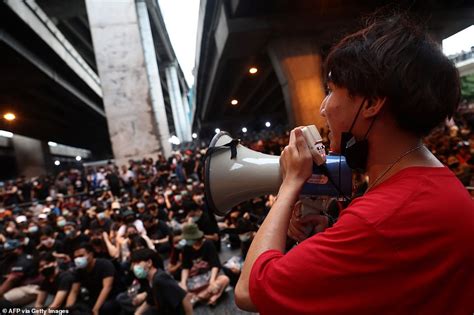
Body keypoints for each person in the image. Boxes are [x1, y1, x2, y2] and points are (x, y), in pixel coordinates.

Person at [235, 14, 474, 314]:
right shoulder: (436, 183)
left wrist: (290, 184)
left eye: (332, 90)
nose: (322, 108)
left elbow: (249, 291)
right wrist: (332, 237)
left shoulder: (380, 219)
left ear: (372, 102)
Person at [130, 248, 193, 315]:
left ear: (149, 262)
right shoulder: (151, 280)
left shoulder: (160, 279)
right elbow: (150, 301)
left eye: (137, 263)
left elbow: (185, 297)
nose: (134, 267)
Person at [180, 224, 229, 306]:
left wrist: (212, 281)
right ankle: (212, 297)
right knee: (178, 288)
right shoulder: (186, 248)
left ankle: (197, 298)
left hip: (209, 278)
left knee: (224, 279)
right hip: (194, 281)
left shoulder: (208, 244)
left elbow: (215, 265)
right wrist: (183, 283)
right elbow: (185, 268)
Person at [66, 243, 120, 314]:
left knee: (105, 308)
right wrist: (67, 310)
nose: (78, 259)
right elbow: (74, 292)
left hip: (111, 297)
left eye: (81, 256)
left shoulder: (105, 264)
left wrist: (95, 309)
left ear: (91, 254)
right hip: (93, 298)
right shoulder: (79, 271)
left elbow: (107, 287)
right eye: (75, 257)